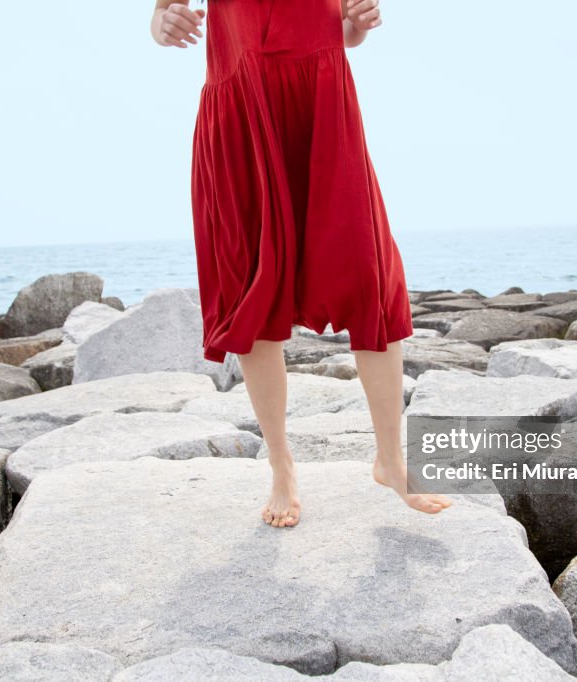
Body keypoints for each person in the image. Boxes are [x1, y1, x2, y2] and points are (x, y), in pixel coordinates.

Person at [150, 0, 452, 528]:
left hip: (323, 108)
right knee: (254, 289)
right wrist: (162, 22)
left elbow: (342, 30)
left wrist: (357, 24)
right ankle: (281, 465)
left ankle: (391, 459)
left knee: (367, 276)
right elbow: (163, 17)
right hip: (242, 113)